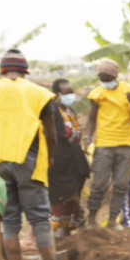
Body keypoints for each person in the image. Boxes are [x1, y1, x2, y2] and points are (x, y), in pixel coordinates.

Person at [0, 49, 62, 260]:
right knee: (40, 220)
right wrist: (50, 157)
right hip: (28, 160)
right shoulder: (39, 93)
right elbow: (52, 134)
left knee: (10, 221)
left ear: (2, 70)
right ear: (25, 71)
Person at [83, 59, 130, 229]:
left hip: (127, 145)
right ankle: (91, 220)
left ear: (115, 76)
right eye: (103, 79)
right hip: (104, 144)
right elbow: (91, 119)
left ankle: (113, 220)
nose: (106, 82)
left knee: (121, 184)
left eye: (108, 78)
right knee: (99, 184)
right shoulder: (97, 94)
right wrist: (86, 137)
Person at [48, 79, 90, 237]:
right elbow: (56, 134)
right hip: (59, 161)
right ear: (57, 94)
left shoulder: (70, 110)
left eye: (71, 92)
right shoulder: (52, 110)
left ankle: (67, 230)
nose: (70, 95)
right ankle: (57, 232)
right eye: (66, 93)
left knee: (73, 196)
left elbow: (76, 132)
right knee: (59, 196)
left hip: (73, 159)